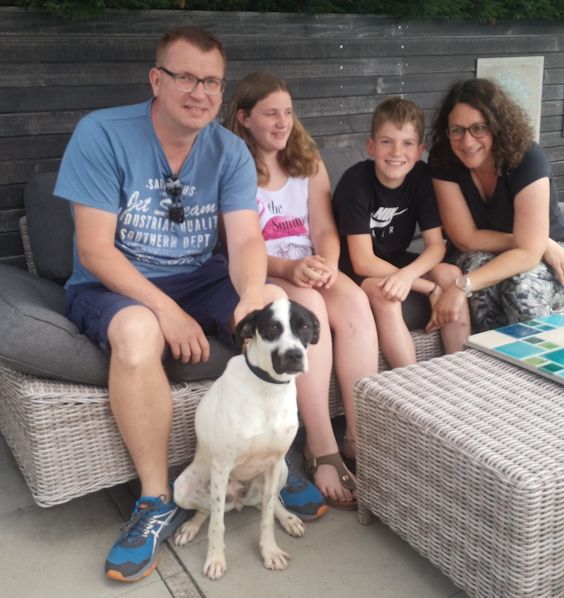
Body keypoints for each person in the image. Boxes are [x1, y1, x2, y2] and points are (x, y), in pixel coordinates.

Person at [54, 27, 289, 583]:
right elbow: (94, 249)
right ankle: (155, 501)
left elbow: (246, 240)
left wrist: (252, 299)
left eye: (211, 82)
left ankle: (270, 461)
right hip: (114, 282)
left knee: (276, 306)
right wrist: (166, 310)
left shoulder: (229, 149)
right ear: (156, 80)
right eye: (185, 77)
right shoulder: (102, 134)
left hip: (201, 278)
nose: (199, 92)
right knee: (139, 335)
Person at [225, 71, 379, 511]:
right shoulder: (235, 168)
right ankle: (321, 444)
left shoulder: (306, 160)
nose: (282, 123)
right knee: (307, 308)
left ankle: (359, 433)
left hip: (311, 265)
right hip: (269, 272)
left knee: (354, 302)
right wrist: (291, 267)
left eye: (288, 113)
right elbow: (240, 245)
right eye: (270, 114)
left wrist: (328, 264)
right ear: (244, 118)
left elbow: (325, 228)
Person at [427, 78, 564, 333]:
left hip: (560, 254)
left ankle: (544, 354)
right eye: (457, 130)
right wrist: (540, 243)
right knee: (482, 290)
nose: (467, 142)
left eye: (478, 128)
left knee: (521, 289)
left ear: (497, 126)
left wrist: (462, 285)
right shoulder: (444, 158)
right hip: (498, 250)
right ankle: (494, 356)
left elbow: (528, 254)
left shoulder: (527, 159)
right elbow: (466, 238)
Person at [333, 97, 470, 368]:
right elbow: (362, 261)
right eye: (387, 141)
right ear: (371, 146)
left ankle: (461, 370)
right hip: (351, 268)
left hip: (395, 260)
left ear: (419, 151)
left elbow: (436, 246)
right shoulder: (356, 182)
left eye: (407, 143)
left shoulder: (421, 177)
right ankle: (411, 381)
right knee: (387, 295)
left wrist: (408, 276)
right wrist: (427, 287)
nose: (397, 152)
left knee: (451, 275)